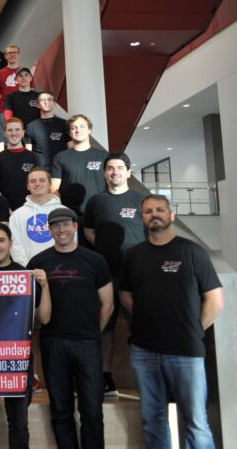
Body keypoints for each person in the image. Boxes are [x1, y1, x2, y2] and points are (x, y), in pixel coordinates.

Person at [121, 195, 223, 449]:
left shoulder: (192, 251)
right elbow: (125, 295)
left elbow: (215, 300)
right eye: (148, 211)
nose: (154, 214)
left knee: (196, 422)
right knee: (152, 420)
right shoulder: (134, 255)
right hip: (144, 351)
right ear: (142, 218)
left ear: (171, 215)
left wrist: (192, 330)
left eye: (160, 210)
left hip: (185, 351)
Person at [27, 207, 113, 449]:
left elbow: (107, 304)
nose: (61, 229)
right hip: (53, 344)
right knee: (60, 411)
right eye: (55, 225)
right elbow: (33, 308)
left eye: (66, 224)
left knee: (92, 411)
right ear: (49, 230)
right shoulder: (38, 262)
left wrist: (94, 332)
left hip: (88, 344)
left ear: (75, 226)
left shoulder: (95, 260)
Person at [0, 222, 51, 449]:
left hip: (17, 360)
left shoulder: (24, 274)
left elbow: (44, 318)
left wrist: (45, 286)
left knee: (19, 425)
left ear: (10, 243)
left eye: (1, 240)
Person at [84, 152, 145, 397]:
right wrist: (104, 246)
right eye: (110, 168)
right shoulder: (96, 201)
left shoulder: (141, 200)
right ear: (104, 173)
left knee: (139, 326)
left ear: (129, 172)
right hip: (106, 273)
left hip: (137, 274)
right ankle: (106, 378)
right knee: (105, 326)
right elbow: (89, 230)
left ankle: (145, 378)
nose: (114, 172)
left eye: (120, 168)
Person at [51, 114, 108, 220]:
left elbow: (112, 184)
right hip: (71, 215)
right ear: (70, 133)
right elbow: (54, 189)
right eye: (73, 128)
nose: (78, 130)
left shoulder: (103, 156)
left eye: (82, 126)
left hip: (99, 212)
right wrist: (62, 211)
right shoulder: (60, 157)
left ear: (89, 130)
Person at [9, 167, 68, 266]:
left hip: (60, 269)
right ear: (27, 186)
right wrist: (28, 268)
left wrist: (61, 267)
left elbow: (71, 243)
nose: (37, 184)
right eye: (33, 181)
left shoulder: (64, 212)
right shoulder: (17, 215)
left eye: (42, 180)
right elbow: (15, 246)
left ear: (50, 184)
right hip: (29, 269)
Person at [0, 117, 41, 211]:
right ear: (5, 133)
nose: (13, 133)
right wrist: (6, 208)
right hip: (6, 210)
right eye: (10, 130)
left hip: (31, 209)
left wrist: (31, 207)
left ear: (23, 133)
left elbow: (39, 185)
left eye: (17, 129)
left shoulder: (34, 158)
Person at [25, 91, 70, 169]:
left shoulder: (64, 124)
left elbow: (71, 148)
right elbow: (28, 154)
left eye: (49, 99)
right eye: (42, 100)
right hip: (40, 169)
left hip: (61, 167)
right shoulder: (30, 126)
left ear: (54, 103)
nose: (46, 102)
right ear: (38, 105)